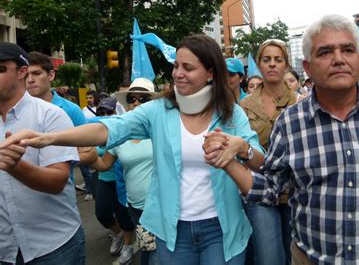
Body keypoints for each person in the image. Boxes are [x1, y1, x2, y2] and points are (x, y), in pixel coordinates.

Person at [203, 14, 359, 264]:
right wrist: (228, 162)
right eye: (325, 52)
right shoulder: (290, 123)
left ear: (358, 60)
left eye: (347, 49)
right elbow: (270, 189)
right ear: (308, 67)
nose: (338, 59)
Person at [2, 35, 264, 265]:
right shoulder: (158, 111)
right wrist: (48, 138)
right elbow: (107, 129)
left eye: (188, 67)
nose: (177, 73)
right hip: (172, 231)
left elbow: (260, 161)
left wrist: (242, 148)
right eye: (175, 66)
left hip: (222, 229)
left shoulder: (231, 114)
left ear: (210, 73)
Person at [0, 42, 85, 264]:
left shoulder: (51, 116)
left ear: (21, 72)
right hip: (5, 249)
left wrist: (16, 166)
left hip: (53, 246)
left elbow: (57, 181)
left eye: (0, 69)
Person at [83, 78, 160, 265]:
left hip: (160, 206)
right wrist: (90, 158)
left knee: (160, 254)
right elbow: (104, 165)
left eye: (143, 99)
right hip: (135, 206)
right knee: (148, 250)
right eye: (132, 98)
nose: (136, 103)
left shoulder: (161, 129)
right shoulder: (120, 134)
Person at [239, 39, 298, 265]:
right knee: (269, 258)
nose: (272, 64)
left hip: (294, 192)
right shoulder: (244, 107)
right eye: (266, 59)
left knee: (295, 256)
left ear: (286, 65)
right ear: (259, 64)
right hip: (259, 192)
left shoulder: (300, 103)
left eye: (278, 59)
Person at [26, 51, 94, 201]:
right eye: (26, 74)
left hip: (60, 197)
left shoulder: (71, 110)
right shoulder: (13, 110)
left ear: (51, 75)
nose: (30, 80)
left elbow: (90, 152)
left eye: (37, 73)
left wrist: (59, 159)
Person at [93, 97, 135, 263]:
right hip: (103, 178)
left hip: (122, 180)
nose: (104, 115)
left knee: (124, 215)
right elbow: (101, 162)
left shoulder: (124, 130)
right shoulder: (95, 131)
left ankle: (127, 245)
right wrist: (87, 156)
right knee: (102, 213)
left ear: (116, 112)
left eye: (108, 112)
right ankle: (118, 235)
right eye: (101, 113)